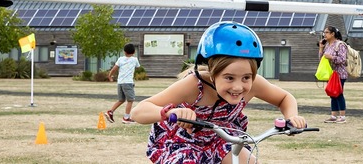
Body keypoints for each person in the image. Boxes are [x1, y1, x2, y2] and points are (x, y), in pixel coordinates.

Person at [130, 21, 307, 163]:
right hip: (182, 143)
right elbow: (138, 111)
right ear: (213, 74)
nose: (238, 87)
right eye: (229, 78)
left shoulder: (254, 84)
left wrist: (292, 117)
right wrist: (169, 112)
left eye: (246, 77)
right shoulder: (193, 85)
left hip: (222, 140)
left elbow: (284, 98)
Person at [104, 43, 141, 124]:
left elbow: (114, 69)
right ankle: (126, 118)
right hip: (128, 82)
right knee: (130, 100)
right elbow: (138, 67)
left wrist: (110, 76)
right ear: (134, 52)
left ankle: (110, 112)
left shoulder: (120, 59)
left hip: (120, 82)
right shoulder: (134, 60)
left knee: (121, 100)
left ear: (124, 51)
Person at [319, 25, 348, 123]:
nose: (324, 34)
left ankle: (342, 117)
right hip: (330, 74)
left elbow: (342, 59)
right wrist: (321, 48)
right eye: (324, 32)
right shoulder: (327, 45)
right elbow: (322, 59)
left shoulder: (340, 45)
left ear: (333, 34)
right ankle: (334, 116)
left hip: (339, 74)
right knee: (332, 94)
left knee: (338, 93)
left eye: (327, 32)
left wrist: (331, 57)